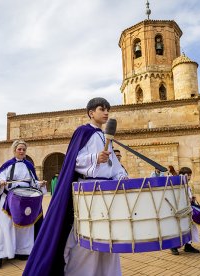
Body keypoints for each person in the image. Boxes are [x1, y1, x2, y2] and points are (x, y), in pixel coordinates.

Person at [24, 97, 127, 276]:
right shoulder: (83, 132)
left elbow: (114, 166)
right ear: (91, 113)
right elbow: (74, 161)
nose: (106, 112)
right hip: (88, 191)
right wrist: (95, 158)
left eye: (107, 109)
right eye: (102, 109)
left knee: (107, 236)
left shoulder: (106, 137)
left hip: (107, 192)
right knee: (86, 236)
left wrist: (122, 176)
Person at [0, 140, 46, 269]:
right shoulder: (8, 165)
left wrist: (40, 184)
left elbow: (33, 182)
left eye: (23, 149)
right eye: (19, 149)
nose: (22, 151)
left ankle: (22, 251)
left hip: (26, 198)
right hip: (9, 198)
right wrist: (0, 182)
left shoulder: (29, 165)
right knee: (5, 226)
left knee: (26, 225)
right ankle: (0, 254)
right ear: (14, 150)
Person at [170, 167, 200, 255]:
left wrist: (192, 199)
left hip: (188, 210)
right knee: (179, 228)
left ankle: (188, 245)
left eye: (190, 175)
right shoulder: (177, 185)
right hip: (180, 211)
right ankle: (174, 246)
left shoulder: (187, 184)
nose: (189, 177)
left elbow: (188, 195)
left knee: (190, 228)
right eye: (188, 175)